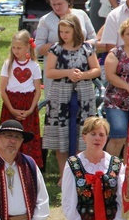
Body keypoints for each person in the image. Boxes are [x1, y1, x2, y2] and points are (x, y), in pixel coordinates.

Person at [43, 15, 101, 179]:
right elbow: (49, 72)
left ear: (75, 31)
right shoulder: (56, 48)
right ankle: (64, 174)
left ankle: (79, 173)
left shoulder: (86, 48)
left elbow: (96, 70)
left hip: (83, 92)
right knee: (61, 135)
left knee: (82, 133)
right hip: (60, 93)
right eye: (61, 32)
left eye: (67, 32)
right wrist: (67, 73)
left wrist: (82, 75)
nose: (63, 35)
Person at [34, 0, 96, 96]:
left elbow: (94, 39)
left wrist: (80, 46)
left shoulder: (81, 14)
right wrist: (62, 46)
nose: (57, 7)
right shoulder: (45, 20)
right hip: (56, 71)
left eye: (60, 4)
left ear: (68, 1)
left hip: (80, 69)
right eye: (54, 4)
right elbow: (39, 47)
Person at [0, 30, 43, 167]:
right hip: (11, 102)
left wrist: (30, 110)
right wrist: (11, 109)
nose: (16, 51)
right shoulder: (8, 64)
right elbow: (2, 89)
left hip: (28, 104)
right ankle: (7, 162)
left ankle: (27, 166)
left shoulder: (34, 66)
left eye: (19, 48)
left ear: (27, 47)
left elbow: (37, 90)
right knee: (9, 135)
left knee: (27, 136)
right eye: (13, 47)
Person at [103, 18, 129, 156]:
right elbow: (110, 75)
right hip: (116, 101)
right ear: (122, 35)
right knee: (119, 135)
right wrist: (127, 87)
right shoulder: (115, 53)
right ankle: (111, 168)